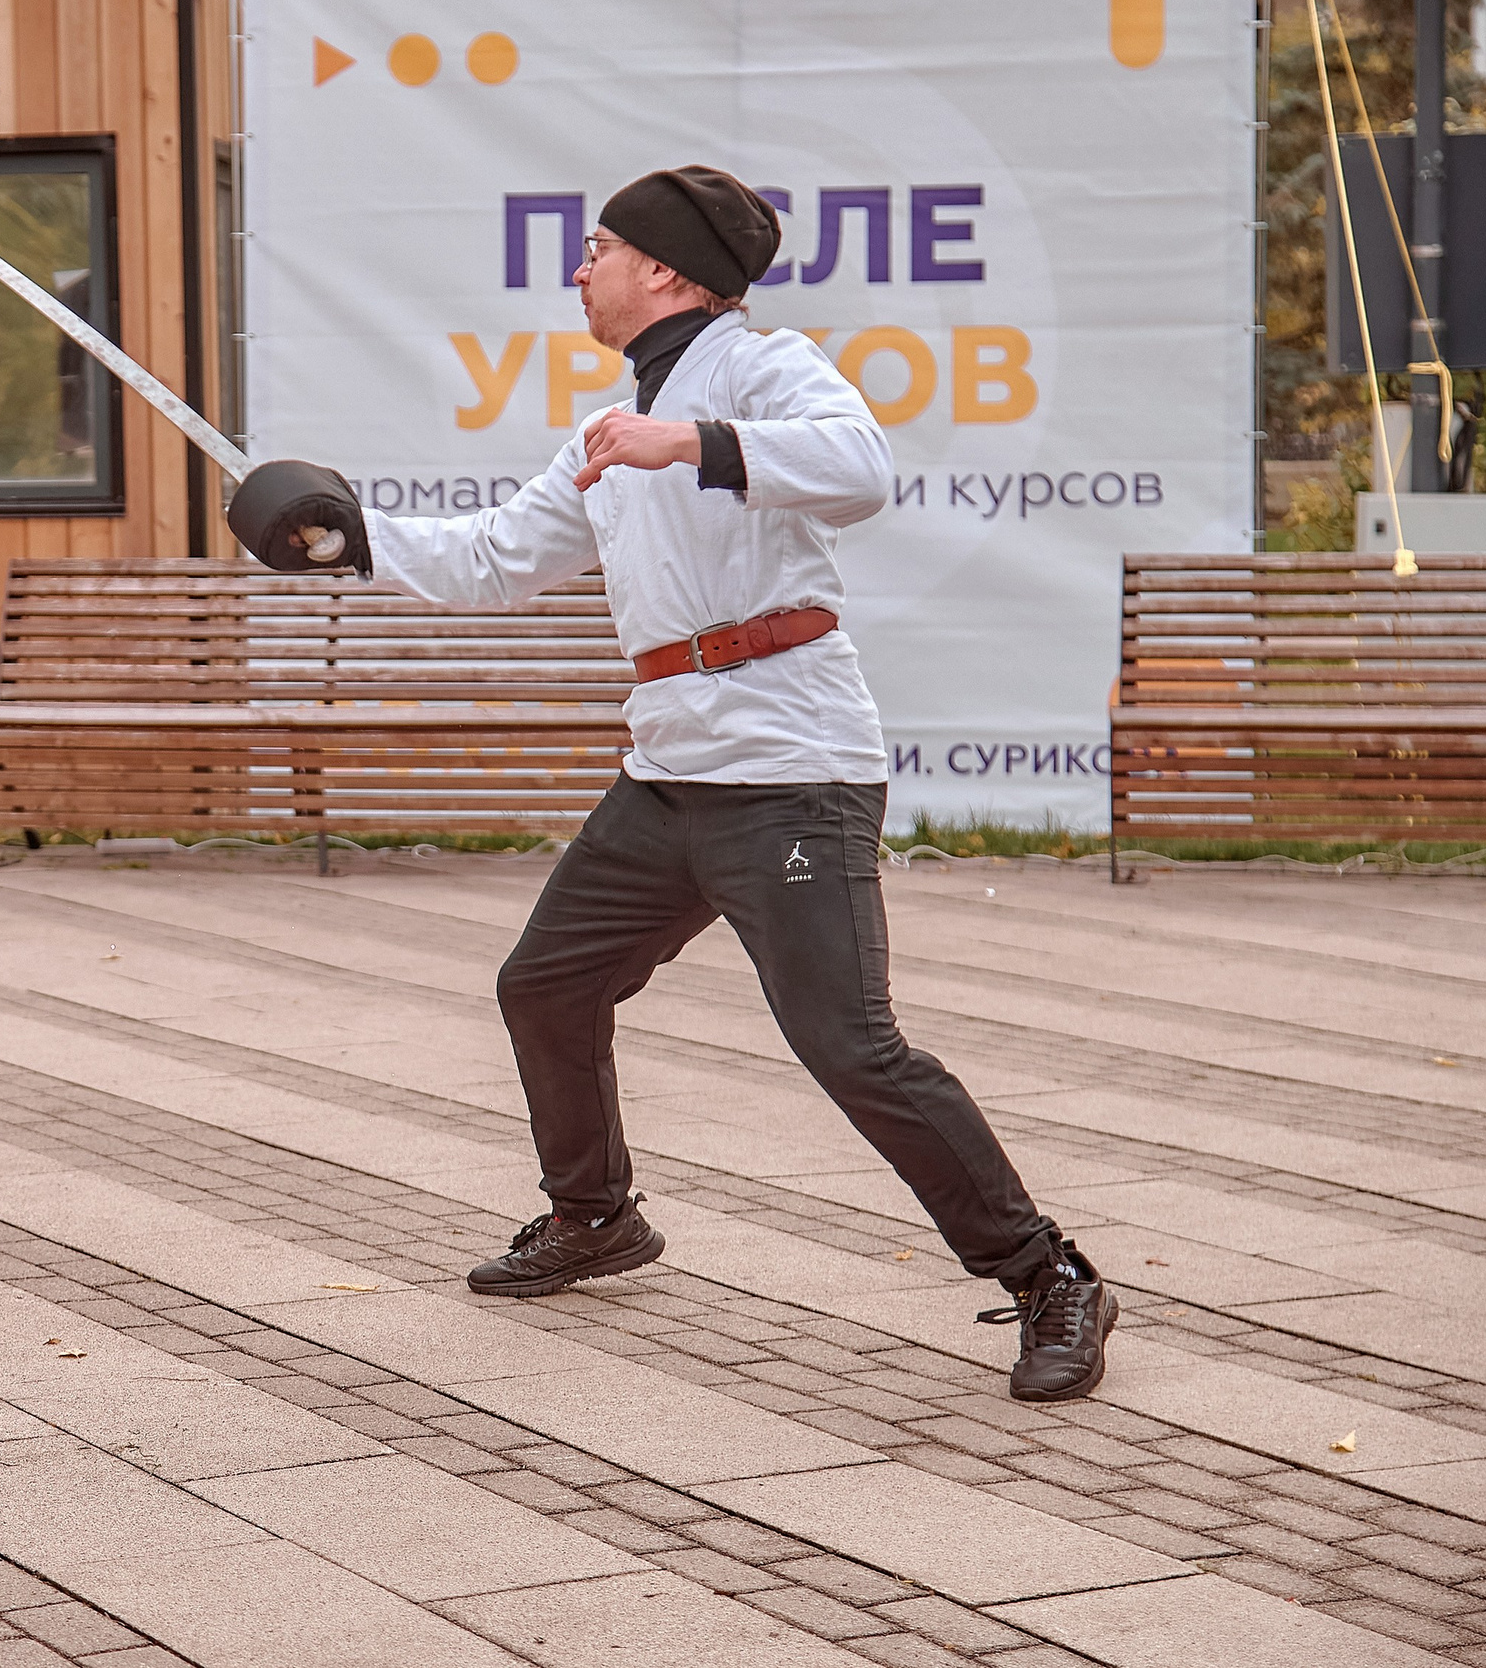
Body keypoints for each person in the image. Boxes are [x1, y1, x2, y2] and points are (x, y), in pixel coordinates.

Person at [225, 165, 1115, 1402]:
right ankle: (595, 1216)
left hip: (793, 772)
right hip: (670, 774)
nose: (576, 269)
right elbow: (495, 558)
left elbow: (861, 467)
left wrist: (690, 441)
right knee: (544, 982)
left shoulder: (758, 366)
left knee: (848, 1043)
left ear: (667, 270)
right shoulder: (606, 425)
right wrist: (348, 539)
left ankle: (1047, 1273)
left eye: (596, 249)